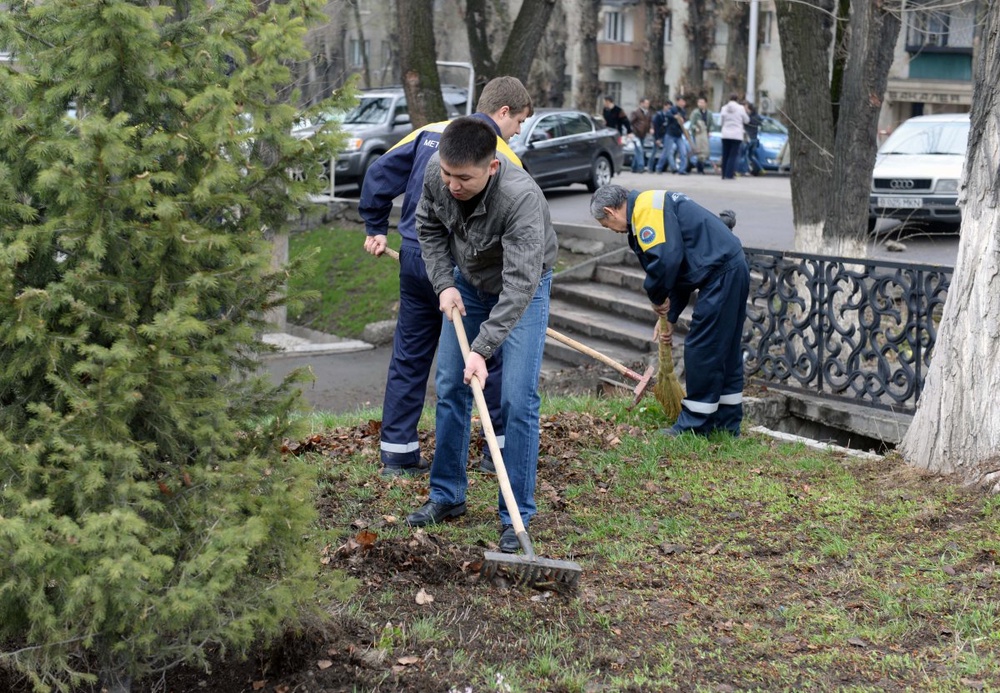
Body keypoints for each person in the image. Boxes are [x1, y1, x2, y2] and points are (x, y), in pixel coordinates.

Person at [359, 76, 532, 477]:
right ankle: (498, 452)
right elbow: (515, 224)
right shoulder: (501, 154)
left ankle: (397, 454)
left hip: (414, 257)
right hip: (462, 268)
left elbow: (379, 173)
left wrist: (375, 226)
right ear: (503, 113)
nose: (518, 131)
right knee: (486, 356)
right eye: (519, 121)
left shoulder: (428, 132)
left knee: (410, 354)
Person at [408, 117, 557, 554]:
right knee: (452, 384)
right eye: (448, 174)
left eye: (464, 178)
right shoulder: (440, 174)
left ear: (491, 167)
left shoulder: (521, 198)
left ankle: (516, 516)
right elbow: (428, 227)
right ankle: (447, 495)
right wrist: (444, 283)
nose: (453, 185)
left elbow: (519, 284)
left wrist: (482, 349)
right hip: (467, 283)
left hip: (523, 290)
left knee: (516, 398)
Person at [589, 184, 750, 437]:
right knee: (725, 349)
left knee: (703, 349)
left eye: (606, 224)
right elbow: (681, 268)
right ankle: (727, 423)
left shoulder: (645, 212)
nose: (611, 230)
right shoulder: (650, 204)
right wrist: (670, 315)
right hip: (729, 269)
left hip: (722, 275)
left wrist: (657, 296)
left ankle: (694, 425)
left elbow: (666, 261)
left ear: (610, 211)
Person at [719, 92, 749, 180]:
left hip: (725, 134)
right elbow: (747, 120)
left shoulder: (724, 108)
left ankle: (723, 174)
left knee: (725, 154)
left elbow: (720, 122)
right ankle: (729, 174)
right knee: (733, 155)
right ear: (737, 99)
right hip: (736, 135)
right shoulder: (741, 108)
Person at [656, 96, 689, 174]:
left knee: (683, 152)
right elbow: (667, 114)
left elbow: (684, 120)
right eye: (681, 101)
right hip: (670, 134)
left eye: (684, 102)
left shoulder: (683, 111)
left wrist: (682, 120)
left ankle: (682, 169)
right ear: (677, 102)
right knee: (667, 152)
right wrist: (675, 117)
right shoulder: (673, 109)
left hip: (679, 135)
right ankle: (659, 167)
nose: (683, 103)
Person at [688, 96, 713, 174]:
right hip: (697, 134)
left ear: (706, 103)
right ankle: (699, 169)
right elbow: (691, 124)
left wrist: (710, 131)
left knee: (705, 151)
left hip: (705, 134)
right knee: (699, 151)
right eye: (699, 102)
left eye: (702, 102)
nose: (700, 104)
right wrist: (695, 128)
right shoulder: (695, 113)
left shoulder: (709, 113)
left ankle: (701, 167)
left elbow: (711, 124)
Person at [628, 97, 652, 173]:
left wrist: (651, 128)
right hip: (636, 134)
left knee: (638, 151)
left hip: (643, 134)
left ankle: (633, 167)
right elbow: (630, 122)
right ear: (641, 103)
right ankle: (641, 167)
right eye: (646, 103)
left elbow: (650, 122)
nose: (647, 105)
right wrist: (630, 132)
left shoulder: (648, 113)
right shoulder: (636, 112)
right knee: (640, 151)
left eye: (648, 103)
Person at [649, 100, 672, 172]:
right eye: (668, 107)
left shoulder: (669, 115)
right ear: (664, 106)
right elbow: (656, 127)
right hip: (658, 135)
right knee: (654, 151)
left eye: (670, 108)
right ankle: (650, 168)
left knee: (666, 151)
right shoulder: (658, 115)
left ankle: (660, 168)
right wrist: (657, 138)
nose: (669, 109)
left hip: (665, 135)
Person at [743, 101, 764, 176]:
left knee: (745, 155)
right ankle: (760, 169)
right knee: (751, 156)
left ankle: (746, 170)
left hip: (749, 138)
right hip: (755, 138)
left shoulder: (748, 117)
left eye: (745, 107)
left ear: (749, 108)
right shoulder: (757, 116)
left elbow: (746, 122)